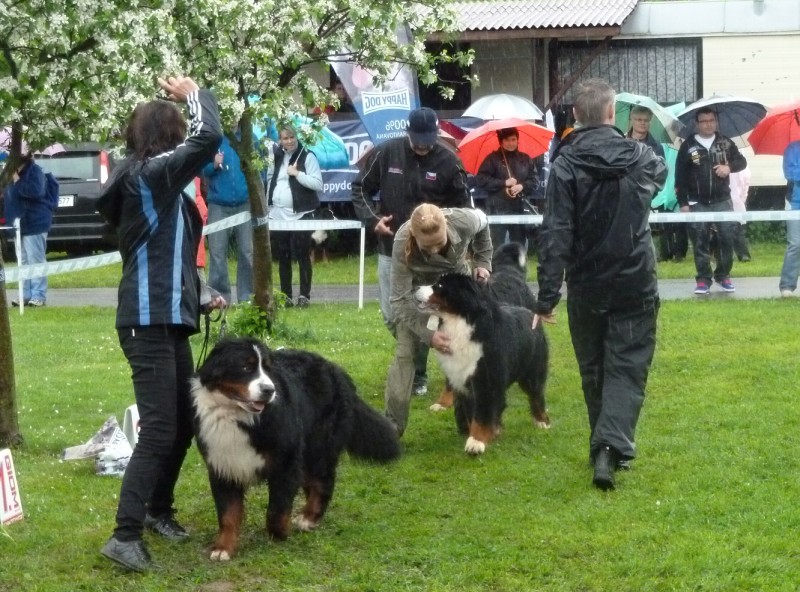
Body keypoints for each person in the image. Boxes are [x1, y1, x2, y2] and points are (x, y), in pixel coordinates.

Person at [95, 75, 226, 572]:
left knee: (181, 424)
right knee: (158, 430)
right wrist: (194, 94)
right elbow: (209, 136)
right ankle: (123, 536)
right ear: (171, 138)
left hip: (169, 318)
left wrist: (203, 296)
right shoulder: (149, 176)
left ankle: (157, 511)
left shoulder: (159, 186)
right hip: (145, 322)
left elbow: (172, 258)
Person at [535, 78, 667, 491]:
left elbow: (556, 233)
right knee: (626, 366)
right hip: (634, 281)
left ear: (576, 116)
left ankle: (605, 447)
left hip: (589, 284)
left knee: (595, 368)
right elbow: (659, 178)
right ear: (613, 114)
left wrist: (547, 296)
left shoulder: (565, 165)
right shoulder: (642, 157)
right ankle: (609, 447)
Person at [351, 107, 471, 395]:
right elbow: (359, 189)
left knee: (428, 312)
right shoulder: (386, 152)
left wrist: (450, 237)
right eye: (417, 138)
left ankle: (418, 373)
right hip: (389, 248)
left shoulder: (449, 161)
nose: (422, 144)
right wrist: (373, 220)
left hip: (431, 255)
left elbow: (464, 209)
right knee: (393, 314)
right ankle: (421, 348)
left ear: (436, 133)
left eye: (428, 138)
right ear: (407, 132)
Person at [386, 203, 492, 436]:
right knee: (406, 354)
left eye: (440, 242)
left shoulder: (464, 220)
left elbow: (484, 222)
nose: (434, 250)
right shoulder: (402, 241)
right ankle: (393, 428)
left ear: (447, 226)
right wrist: (429, 334)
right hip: (419, 296)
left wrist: (483, 262)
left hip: (457, 289)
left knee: (467, 353)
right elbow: (399, 300)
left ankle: (468, 421)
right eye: (427, 246)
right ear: (414, 235)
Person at [675, 107, 747, 295]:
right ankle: (703, 279)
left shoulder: (725, 143)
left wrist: (728, 167)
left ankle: (723, 275)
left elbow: (742, 162)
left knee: (727, 238)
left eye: (711, 120)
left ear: (716, 121)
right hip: (697, 202)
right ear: (696, 124)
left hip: (722, 200)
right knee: (700, 240)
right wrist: (683, 203)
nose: (708, 124)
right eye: (704, 121)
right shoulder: (688, 146)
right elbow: (680, 177)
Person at [267, 124, 322, 308]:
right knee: (283, 256)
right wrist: (268, 204)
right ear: (280, 141)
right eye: (284, 138)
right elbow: (270, 179)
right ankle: (285, 296)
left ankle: (304, 296)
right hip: (277, 215)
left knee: (302, 255)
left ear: (297, 137)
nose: (289, 141)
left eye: (291, 137)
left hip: (301, 215)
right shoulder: (275, 157)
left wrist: (297, 174)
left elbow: (317, 183)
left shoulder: (308, 156)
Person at [201, 135, 253, 303]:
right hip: (218, 203)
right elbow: (201, 170)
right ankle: (219, 297)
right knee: (217, 252)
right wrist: (213, 164)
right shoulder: (213, 141)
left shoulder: (248, 138)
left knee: (247, 251)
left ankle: (247, 297)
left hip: (244, 202)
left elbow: (259, 168)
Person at [476, 126, 539, 248]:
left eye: (514, 139)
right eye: (507, 140)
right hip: (497, 209)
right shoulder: (492, 159)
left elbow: (534, 180)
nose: (511, 143)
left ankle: (518, 267)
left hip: (519, 208)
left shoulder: (525, 159)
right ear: (501, 141)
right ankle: (496, 267)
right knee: (497, 246)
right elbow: (481, 180)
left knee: (519, 246)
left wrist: (522, 186)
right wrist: (504, 183)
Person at [3, 153, 53, 307]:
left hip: (35, 222)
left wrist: (18, 182)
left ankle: (38, 295)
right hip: (20, 225)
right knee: (23, 260)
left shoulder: (34, 171)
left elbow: (35, 192)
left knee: (35, 259)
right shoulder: (12, 174)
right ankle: (25, 294)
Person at [779, 141, 800, 297]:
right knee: (795, 244)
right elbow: (791, 174)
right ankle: (787, 285)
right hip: (795, 203)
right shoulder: (793, 148)